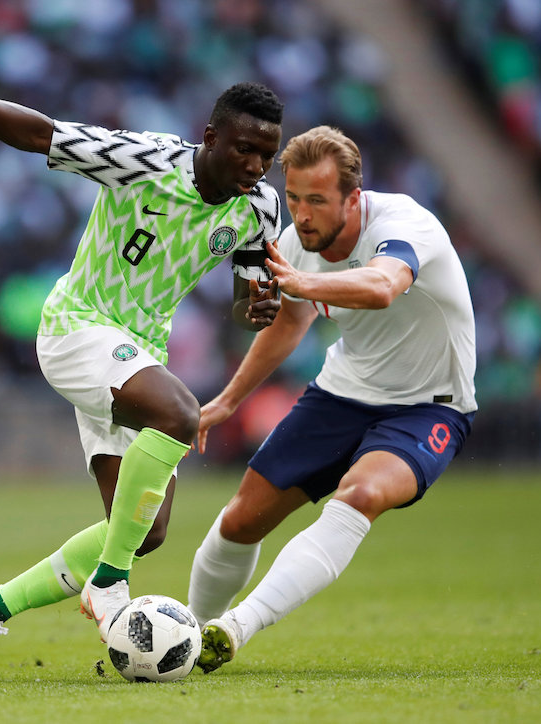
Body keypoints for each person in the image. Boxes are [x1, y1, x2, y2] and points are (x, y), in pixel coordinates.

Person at [0, 67, 285, 681]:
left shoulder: (261, 209)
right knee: (181, 415)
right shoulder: (144, 159)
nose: (256, 165)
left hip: (136, 356)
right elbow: (40, 135)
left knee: (144, 530)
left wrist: (255, 310)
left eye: (267, 154)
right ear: (210, 137)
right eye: (245, 148)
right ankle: (108, 585)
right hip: (76, 328)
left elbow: (245, 302)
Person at [187, 125, 477, 672]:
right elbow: (288, 323)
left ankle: (236, 627)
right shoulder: (297, 241)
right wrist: (227, 400)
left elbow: (382, 287)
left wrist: (302, 283)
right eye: (293, 197)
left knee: (361, 492)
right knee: (240, 521)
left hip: (430, 405)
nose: (300, 214)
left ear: (353, 198)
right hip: (341, 394)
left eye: (316, 200)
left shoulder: (405, 224)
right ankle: (187, 639)